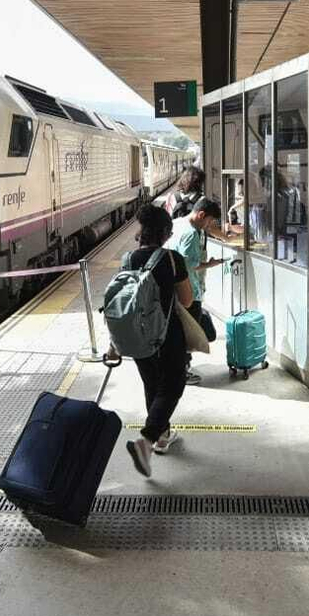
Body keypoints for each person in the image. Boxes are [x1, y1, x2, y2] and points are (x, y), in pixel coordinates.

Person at [119, 204, 192, 476]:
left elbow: (122, 302)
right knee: (173, 386)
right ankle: (147, 440)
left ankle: (162, 437)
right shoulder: (172, 259)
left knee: (153, 385)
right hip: (167, 335)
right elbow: (187, 299)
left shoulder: (128, 259)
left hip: (137, 337)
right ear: (164, 233)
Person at [166, 196, 225, 384]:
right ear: (201, 214)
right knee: (187, 335)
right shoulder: (192, 233)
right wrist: (210, 264)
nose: (209, 226)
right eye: (209, 221)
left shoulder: (176, 223)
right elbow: (188, 265)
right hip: (188, 291)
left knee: (176, 331)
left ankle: (178, 368)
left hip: (172, 288)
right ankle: (181, 372)